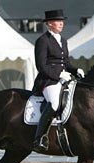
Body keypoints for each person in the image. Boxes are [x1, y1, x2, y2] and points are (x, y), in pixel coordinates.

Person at [32, 9, 84, 152]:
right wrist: (59, 74)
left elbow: (65, 62)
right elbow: (41, 66)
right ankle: (40, 138)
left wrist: (75, 70)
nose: (61, 23)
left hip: (63, 78)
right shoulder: (42, 41)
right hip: (48, 80)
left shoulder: (63, 41)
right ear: (49, 23)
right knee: (54, 103)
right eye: (58, 21)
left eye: (62, 21)